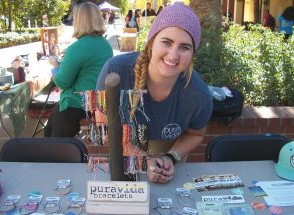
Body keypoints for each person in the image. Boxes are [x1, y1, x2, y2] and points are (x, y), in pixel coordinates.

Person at [96, 2, 213, 183]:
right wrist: (144, 159)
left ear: (192, 55)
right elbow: (104, 126)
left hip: (167, 154)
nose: (173, 55)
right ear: (151, 43)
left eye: (184, 47)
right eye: (166, 42)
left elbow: (195, 134)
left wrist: (171, 157)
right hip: (123, 148)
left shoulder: (198, 95)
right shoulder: (114, 71)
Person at [44, 2, 113, 137]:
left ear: (80, 21)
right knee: (51, 124)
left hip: (78, 105)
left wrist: (55, 67)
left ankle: (58, 156)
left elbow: (62, 82)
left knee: (54, 143)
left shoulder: (78, 47)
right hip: (98, 103)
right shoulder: (106, 45)